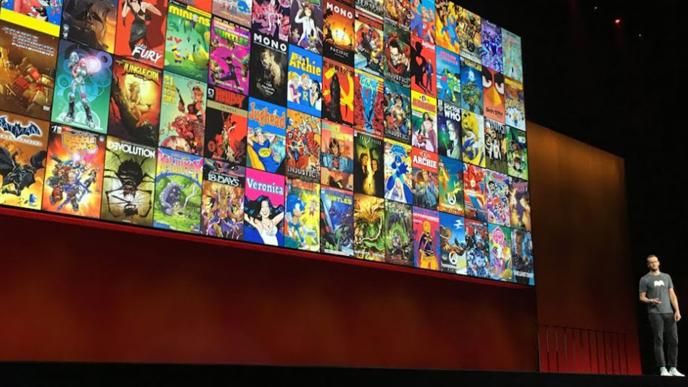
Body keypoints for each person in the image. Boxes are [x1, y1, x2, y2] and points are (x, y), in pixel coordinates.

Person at [639, 255, 684, 377]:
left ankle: (673, 368)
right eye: (651, 263)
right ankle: (663, 368)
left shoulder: (666, 277)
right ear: (648, 265)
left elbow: (672, 295)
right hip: (655, 313)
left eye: (655, 262)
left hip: (669, 312)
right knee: (659, 339)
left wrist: (677, 311)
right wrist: (650, 301)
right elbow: (641, 297)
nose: (654, 264)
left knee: (673, 340)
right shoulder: (644, 279)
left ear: (659, 263)